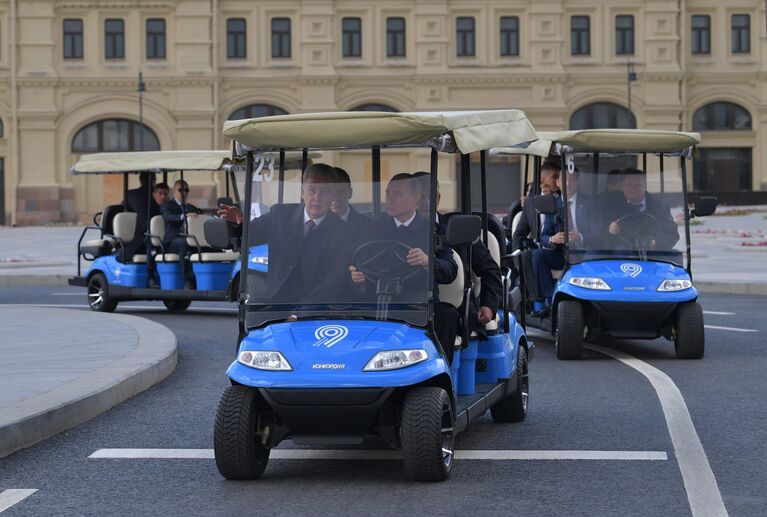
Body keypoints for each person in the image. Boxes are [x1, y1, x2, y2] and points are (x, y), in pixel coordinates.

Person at [350, 173, 460, 363]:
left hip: (418, 304)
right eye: (388, 193)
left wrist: (428, 261)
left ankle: (441, 374)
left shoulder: (432, 230)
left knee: (447, 315)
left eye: (397, 194)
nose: (389, 199)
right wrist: (356, 278)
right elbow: (357, 264)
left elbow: (450, 270)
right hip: (376, 301)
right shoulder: (371, 229)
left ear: (415, 199)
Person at [219, 163, 349, 303]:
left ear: (333, 196)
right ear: (302, 192)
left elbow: (331, 283)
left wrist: (298, 314)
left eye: (324, 191)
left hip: (316, 309)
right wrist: (239, 222)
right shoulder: (280, 215)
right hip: (276, 305)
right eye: (312, 190)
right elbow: (252, 233)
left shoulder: (342, 231)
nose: (317, 197)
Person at [413, 171, 503, 341]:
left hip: (456, 306)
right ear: (411, 199)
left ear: (438, 198)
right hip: (411, 304)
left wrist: (489, 305)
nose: (424, 202)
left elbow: (489, 268)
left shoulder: (457, 228)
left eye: (429, 196)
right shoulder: (401, 231)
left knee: (447, 316)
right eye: (419, 197)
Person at [531, 169, 597, 316]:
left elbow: (598, 233)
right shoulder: (552, 204)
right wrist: (552, 239)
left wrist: (580, 237)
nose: (568, 183)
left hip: (584, 253)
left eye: (572, 179)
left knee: (593, 255)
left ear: (578, 182)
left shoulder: (589, 202)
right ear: (558, 182)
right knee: (538, 256)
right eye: (565, 180)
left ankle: (591, 303)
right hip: (561, 254)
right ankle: (549, 300)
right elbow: (544, 236)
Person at [511, 160, 560, 308]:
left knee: (535, 256)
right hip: (538, 248)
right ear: (543, 180)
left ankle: (547, 301)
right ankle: (536, 301)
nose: (558, 181)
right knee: (526, 256)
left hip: (558, 250)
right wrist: (515, 261)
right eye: (555, 177)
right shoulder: (531, 204)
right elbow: (519, 234)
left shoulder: (561, 201)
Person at [604, 168, 679, 251]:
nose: (633, 188)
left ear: (645, 186)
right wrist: (610, 230)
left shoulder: (660, 208)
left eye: (638, 185)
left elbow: (672, 234)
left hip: (653, 256)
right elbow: (599, 236)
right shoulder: (612, 207)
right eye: (629, 185)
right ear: (622, 186)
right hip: (622, 256)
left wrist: (656, 244)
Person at [162, 180, 202, 288]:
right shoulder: (168, 206)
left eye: (186, 190)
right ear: (174, 191)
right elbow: (168, 217)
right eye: (180, 190)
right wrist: (183, 216)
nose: (184, 192)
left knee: (204, 244)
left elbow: (201, 215)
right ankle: (188, 280)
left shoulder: (191, 207)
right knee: (184, 243)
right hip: (172, 242)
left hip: (190, 239)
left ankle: (202, 278)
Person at [123, 172, 157, 261]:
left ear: (141, 180)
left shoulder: (131, 194)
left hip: (140, 236)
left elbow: (120, 210)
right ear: (154, 180)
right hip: (147, 236)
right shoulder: (160, 194)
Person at [332, 166, 371, 232]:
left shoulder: (369, 226)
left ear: (350, 193)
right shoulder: (313, 225)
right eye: (331, 191)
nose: (335, 198)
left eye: (341, 191)